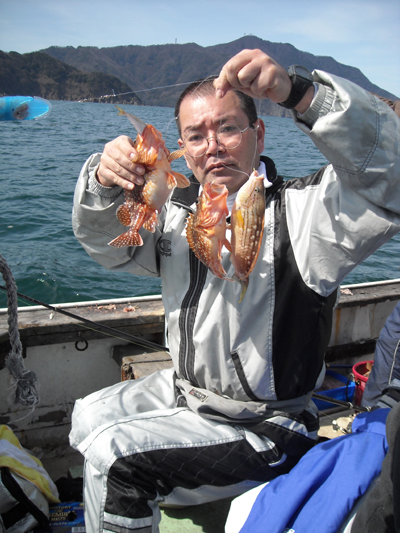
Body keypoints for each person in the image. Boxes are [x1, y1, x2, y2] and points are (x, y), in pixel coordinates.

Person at [70, 49, 400, 532]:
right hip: (190, 394)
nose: (213, 147)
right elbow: (107, 247)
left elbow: (388, 178)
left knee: (113, 458)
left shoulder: (307, 216)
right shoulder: (178, 212)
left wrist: (300, 92)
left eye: (227, 128)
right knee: (84, 416)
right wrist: (103, 181)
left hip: (267, 426)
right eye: (196, 136)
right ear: (180, 148)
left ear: (259, 132)